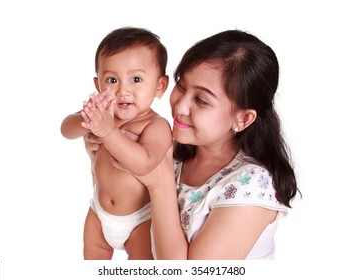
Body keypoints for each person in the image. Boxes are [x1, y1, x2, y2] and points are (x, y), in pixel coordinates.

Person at [86, 29, 300, 260]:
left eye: (201, 100)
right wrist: (99, 154)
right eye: (181, 86)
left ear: (243, 118)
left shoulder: (251, 186)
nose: (180, 107)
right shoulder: (167, 147)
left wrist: (160, 185)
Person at [60, 27, 172, 260]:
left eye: (136, 79)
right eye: (112, 80)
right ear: (98, 84)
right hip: (99, 213)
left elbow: (144, 164)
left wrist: (108, 130)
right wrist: (88, 120)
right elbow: (65, 130)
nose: (123, 90)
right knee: (93, 259)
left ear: (160, 86)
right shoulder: (102, 115)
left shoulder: (156, 126)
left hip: (140, 219)